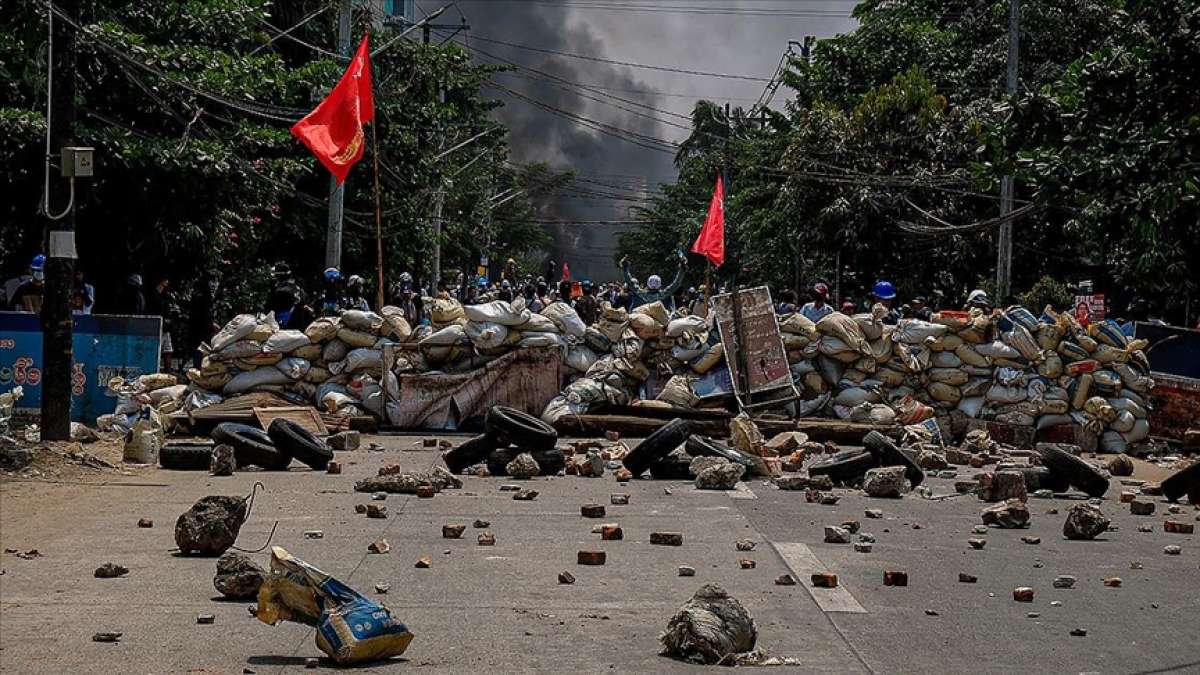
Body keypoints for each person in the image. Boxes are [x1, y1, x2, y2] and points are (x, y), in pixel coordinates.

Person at [620, 253, 687, 309]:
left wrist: (625, 268)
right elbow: (676, 284)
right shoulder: (664, 294)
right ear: (660, 285)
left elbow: (629, 282)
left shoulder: (641, 293)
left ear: (648, 284)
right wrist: (682, 270)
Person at [146, 277, 179, 370]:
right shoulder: (153, 295)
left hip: (165, 327)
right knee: (157, 349)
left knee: (168, 350)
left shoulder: (165, 295)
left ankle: (168, 370)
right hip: (156, 326)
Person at [187, 275, 219, 367]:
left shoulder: (197, 294)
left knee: (199, 354)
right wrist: (210, 325)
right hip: (203, 332)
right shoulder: (205, 296)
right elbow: (205, 314)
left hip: (197, 331)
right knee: (202, 355)